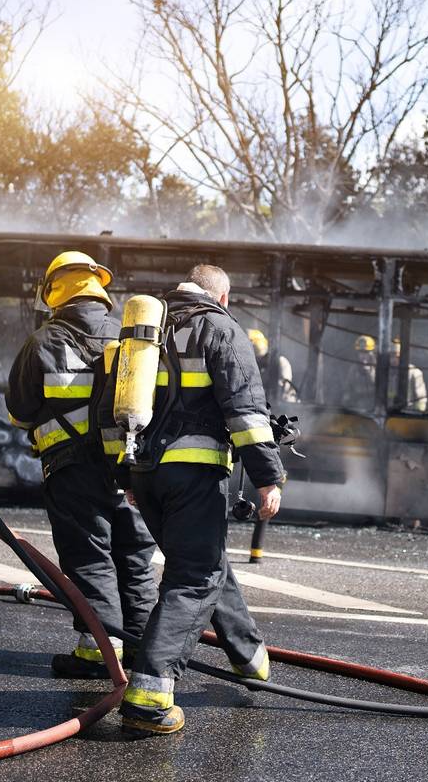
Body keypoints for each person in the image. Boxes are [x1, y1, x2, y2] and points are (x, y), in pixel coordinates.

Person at [114, 264, 285, 736]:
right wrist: (269, 478)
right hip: (194, 474)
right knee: (195, 576)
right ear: (222, 295)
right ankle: (150, 692)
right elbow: (247, 413)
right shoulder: (221, 328)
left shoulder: (145, 329)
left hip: (147, 475)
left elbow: (114, 405)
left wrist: (126, 473)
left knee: (202, 561)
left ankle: (250, 657)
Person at [5, 250, 157, 679]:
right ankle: (144, 652)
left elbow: (19, 410)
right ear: (98, 287)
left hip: (72, 470)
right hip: (130, 467)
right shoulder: (131, 339)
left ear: (54, 291)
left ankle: (98, 652)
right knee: (135, 556)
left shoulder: (44, 341)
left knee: (90, 557)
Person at [248, 328, 298, 403]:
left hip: (285, 404)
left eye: (260, 359)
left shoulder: (281, 362)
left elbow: (282, 389)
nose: (258, 361)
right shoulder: (262, 368)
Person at [389, 338, 428, 412]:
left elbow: (421, 399)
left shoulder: (414, 373)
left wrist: (417, 416)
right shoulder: (384, 372)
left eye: (397, 357)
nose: (394, 360)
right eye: (391, 356)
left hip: (407, 415)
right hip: (388, 414)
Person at [340, 334, 378, 408]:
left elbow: (380, 391)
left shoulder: (379, 369)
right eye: (361, 352)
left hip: (374, 410)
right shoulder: (354, 369)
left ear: (372, 353)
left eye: (366, 352)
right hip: (358, 409)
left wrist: (369, 374)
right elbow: (348, 390)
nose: (363, 356)